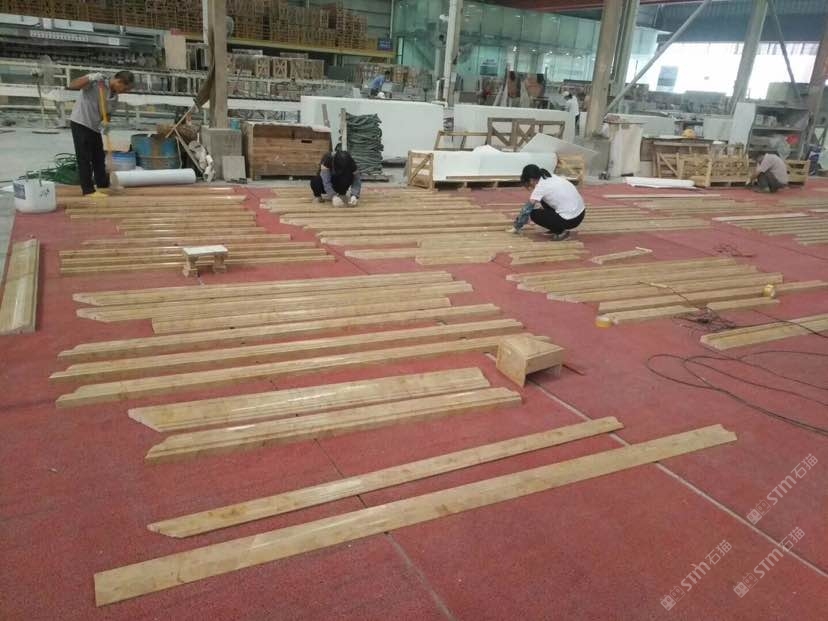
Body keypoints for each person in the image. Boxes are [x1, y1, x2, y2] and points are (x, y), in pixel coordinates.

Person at [67, 71, 135, 197]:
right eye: (125, 88)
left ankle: (102, 185)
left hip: (94, 127)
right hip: (81, 122)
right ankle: (88, 190)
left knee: (98, 157)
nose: (125, 92)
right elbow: (72, 85)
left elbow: (107, 113)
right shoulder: (96, 83)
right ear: (119, 81)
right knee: (84, 158)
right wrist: (89, 77)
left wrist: (106, 122)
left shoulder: (114, 97)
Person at [509, 164, 586, 241]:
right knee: (543, 200)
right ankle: (555, 227)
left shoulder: (540, 187)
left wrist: (516, 227)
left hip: (571, 220)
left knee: (534, 214)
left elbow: (526, 210)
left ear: (531, 180)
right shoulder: (548, 176)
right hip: (580, 213)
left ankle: (561, 231)